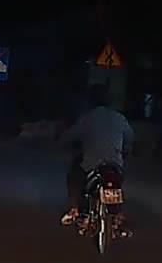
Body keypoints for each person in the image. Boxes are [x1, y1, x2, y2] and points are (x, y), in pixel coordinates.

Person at [56, 84, 134, 226]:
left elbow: (69, 137)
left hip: (92, 164)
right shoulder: (119, 118)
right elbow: (130, 138)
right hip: (115, 164)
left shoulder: (87, 118)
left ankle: (74, 210)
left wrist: (62, 141)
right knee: (118, 180)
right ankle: (118, 213)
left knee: (74, 176)